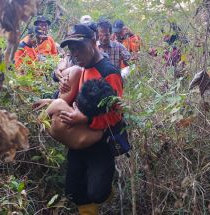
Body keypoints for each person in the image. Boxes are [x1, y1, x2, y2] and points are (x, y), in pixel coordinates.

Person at [57, 24, 124, 215]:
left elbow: (116, 114)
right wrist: (59, 80)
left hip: (100, 142)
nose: (75, 53)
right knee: (74, 190)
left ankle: (105, 189)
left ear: (94, 43)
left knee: (97, 192)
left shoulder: (108, 72)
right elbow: (64, 74)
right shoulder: (82, 66)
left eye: (79, 46)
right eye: (71, 48)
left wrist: (85, 119)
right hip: (78, 140)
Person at [45, 79, 117, 149]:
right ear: (100, 113)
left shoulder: (58, 105)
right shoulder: (95, 135)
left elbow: (39, 120)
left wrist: (51, 102)